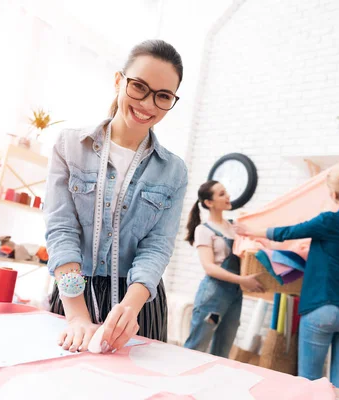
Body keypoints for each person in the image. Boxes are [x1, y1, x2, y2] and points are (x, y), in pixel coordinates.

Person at [45, 40, 188, 354]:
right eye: (139, 87)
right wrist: (77, 316)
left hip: (137, 303)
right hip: (73, 293)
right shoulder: (70, 146)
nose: (148, 104)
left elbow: (157, 245)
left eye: (163, 96)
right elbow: (61, 229)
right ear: (118, 81)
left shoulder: (174, 171)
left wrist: (130, 307)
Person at [235, 149, 339, 390]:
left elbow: (288, 232)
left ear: (334, 194)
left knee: (310, 387)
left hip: (321, 310)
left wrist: (249, 231)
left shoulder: (328, 221)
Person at [183, 180, 264, 358]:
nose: (227, 196)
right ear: (209, 203)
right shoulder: (203, 230)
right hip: (213, 295)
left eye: (226, 192)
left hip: (235, 295)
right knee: (196, 348)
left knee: (223, 353)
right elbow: (210, 268)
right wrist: (243, 281)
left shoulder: (234, 226)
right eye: (221, 194)